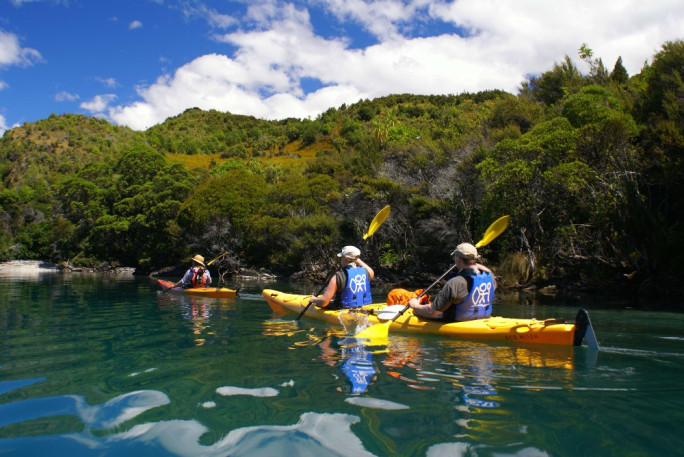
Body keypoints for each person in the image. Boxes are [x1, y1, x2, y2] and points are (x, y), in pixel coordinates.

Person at [408, 243, 495, 322]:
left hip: (458, 323)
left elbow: (433, 312)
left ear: (458, 259)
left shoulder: (455, 283)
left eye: (455, 256)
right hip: (482, 319)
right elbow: (488, 271)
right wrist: (475, 265)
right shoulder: (490, 278)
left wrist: (415, 305)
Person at [309, 246, 374, 310]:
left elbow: (324, 302)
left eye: (341, 257)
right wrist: (356, 259)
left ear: (346, 259)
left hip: (344, 310)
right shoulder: (366, 272)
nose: (341, 260)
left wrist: (314, 300)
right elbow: (372, 272)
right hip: (365, 308)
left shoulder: (337, 277)